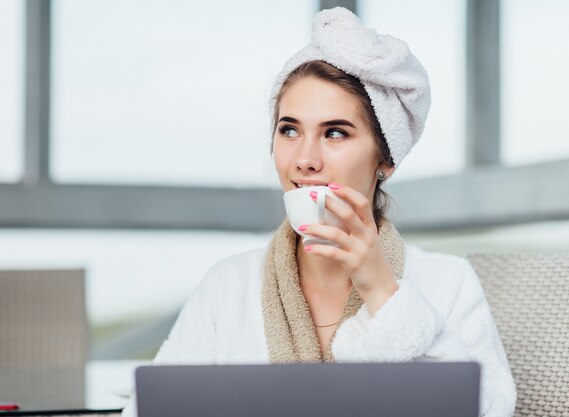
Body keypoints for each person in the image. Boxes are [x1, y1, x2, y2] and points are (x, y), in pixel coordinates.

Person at [122, 7, 516, 417]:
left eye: (334, 133)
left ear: (385, 159)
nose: (305, 159)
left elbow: (489, 410)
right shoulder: (228, 285)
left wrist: (383, 291)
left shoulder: (448, 283)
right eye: (289, 130)